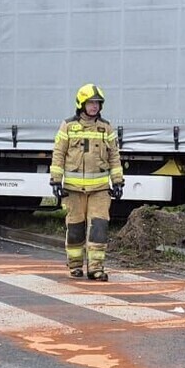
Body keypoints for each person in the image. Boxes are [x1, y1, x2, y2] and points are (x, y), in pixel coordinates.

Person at [49, 84, 124, 280]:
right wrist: (56, 181)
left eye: (98, 103)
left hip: (99, 189)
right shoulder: (68, 126)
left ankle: (96, 268)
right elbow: (59, 154)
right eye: (91, 103)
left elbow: (114, 156)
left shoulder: (105, 128)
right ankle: (75, 265)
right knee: (75, 228)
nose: (94, 107)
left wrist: (118, 181)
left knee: (99, 228)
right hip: (73, 190)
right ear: (81, 104)